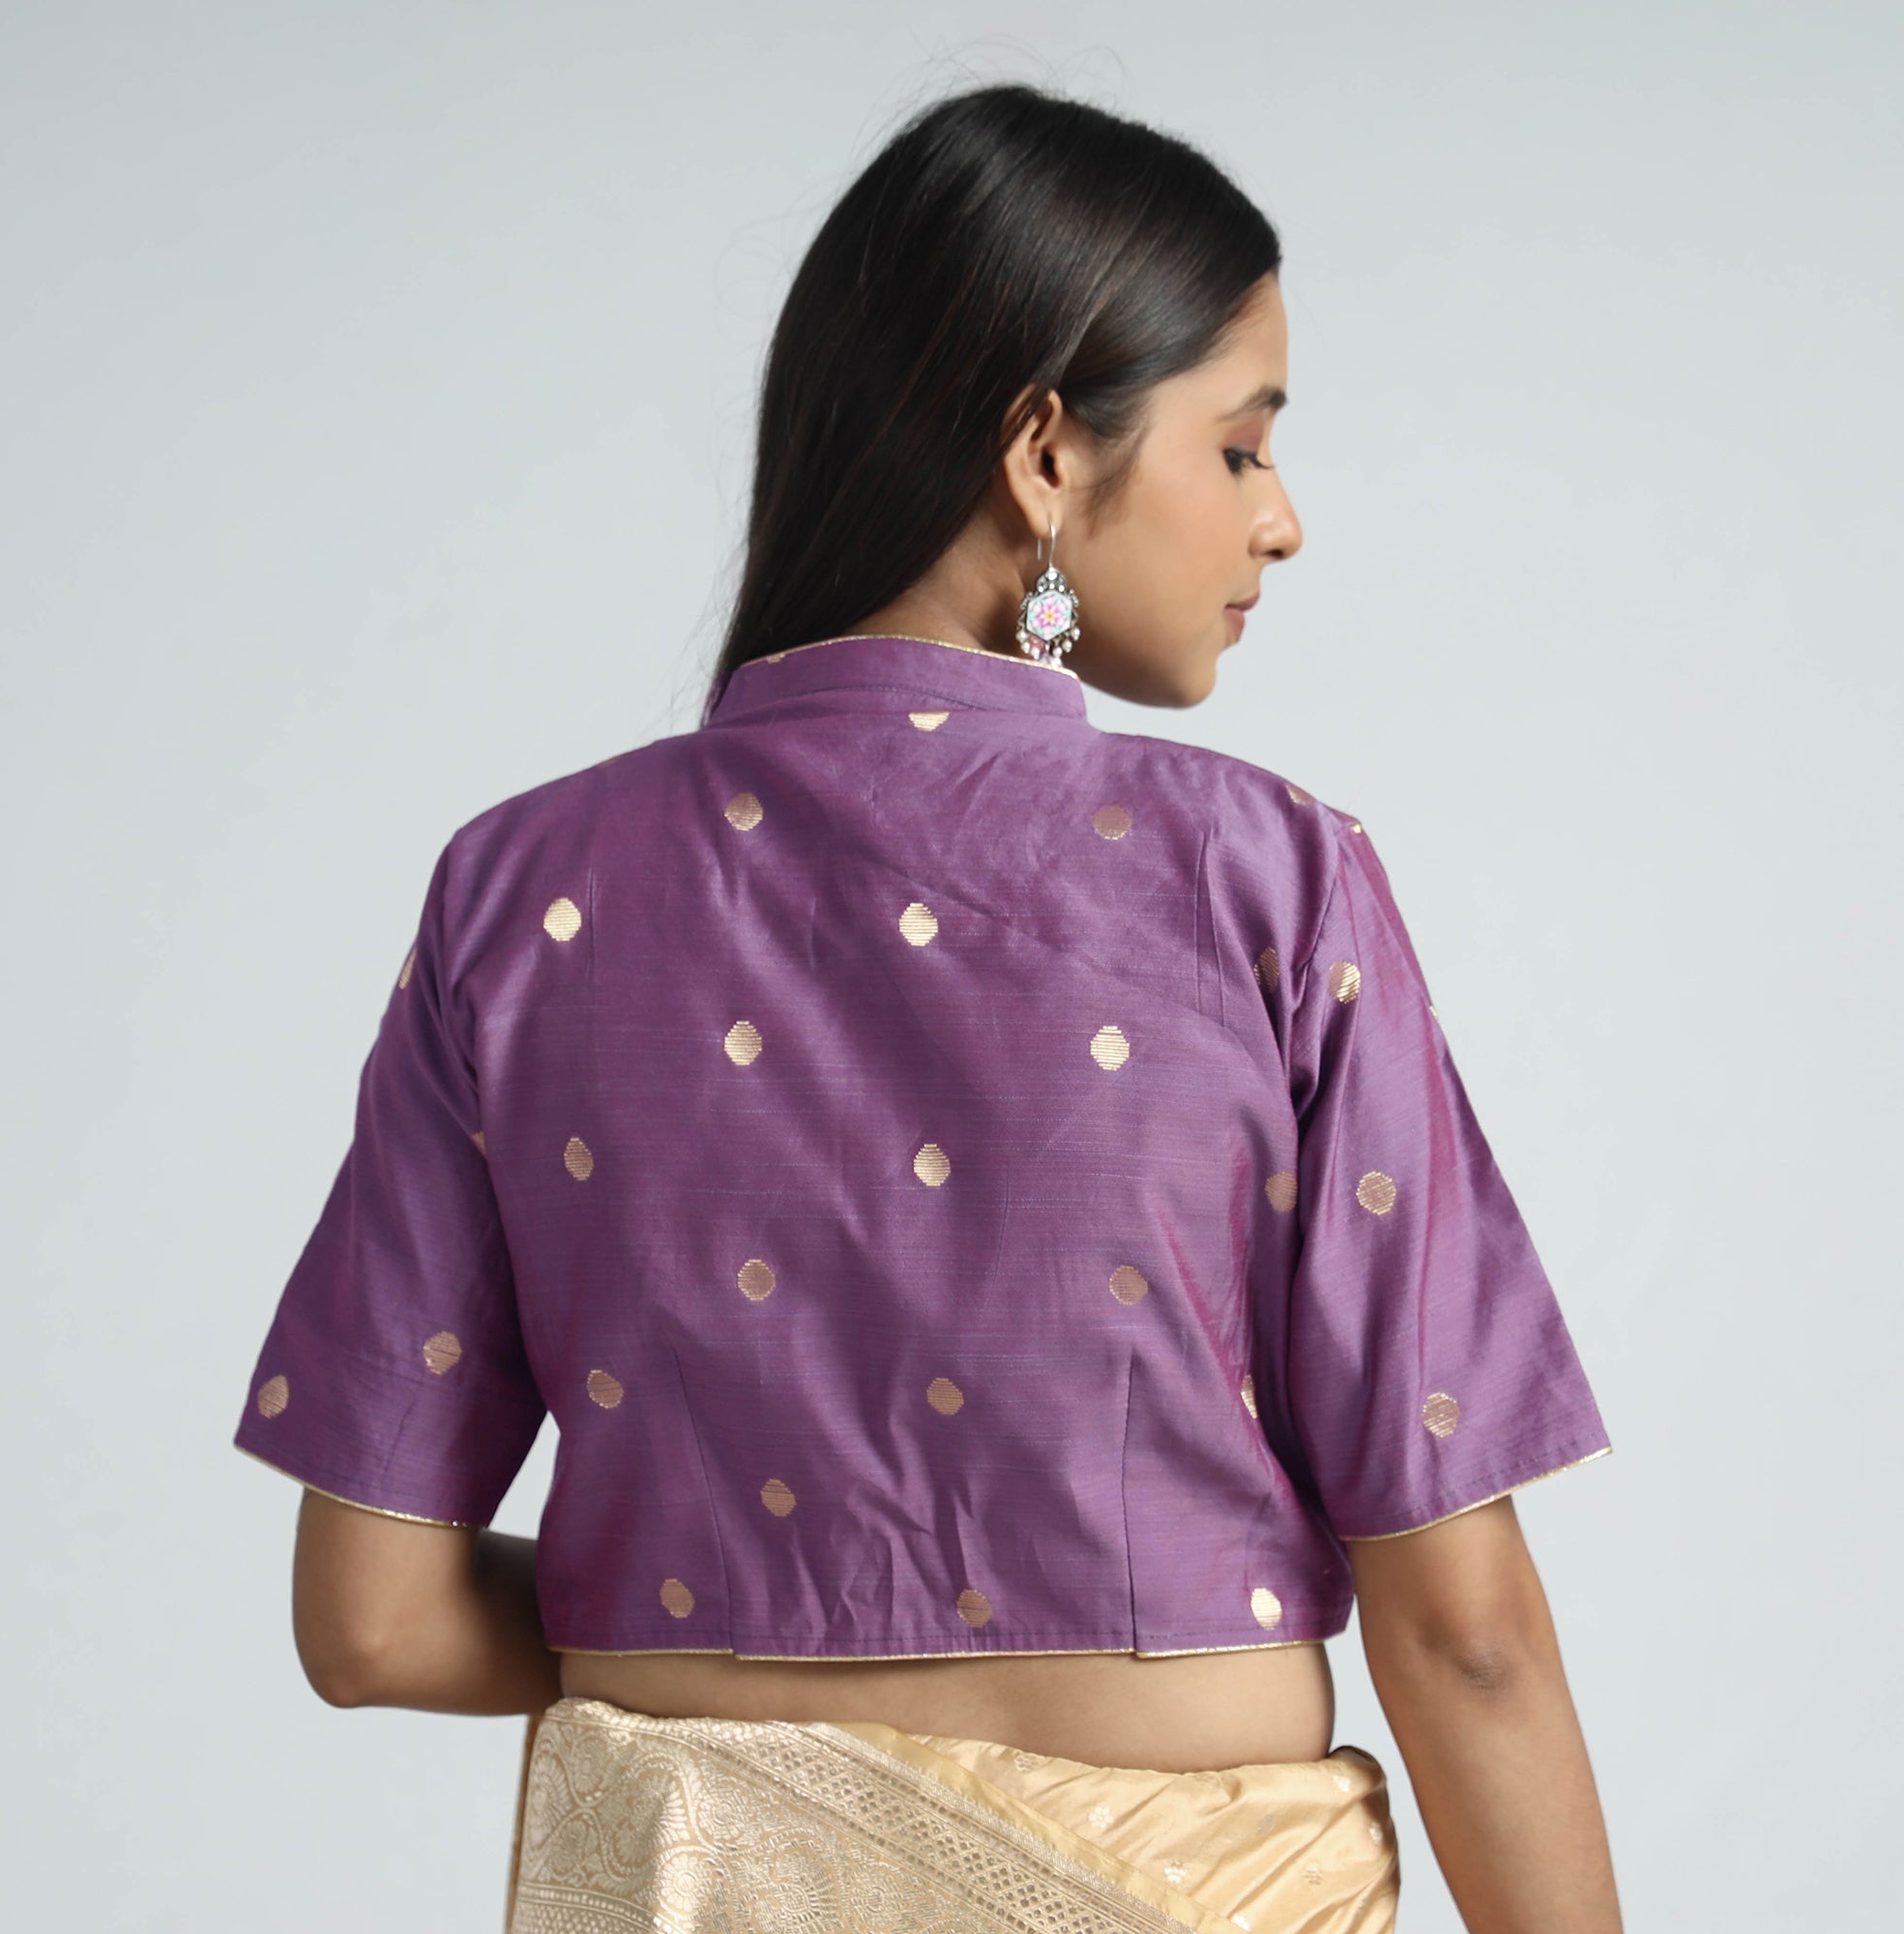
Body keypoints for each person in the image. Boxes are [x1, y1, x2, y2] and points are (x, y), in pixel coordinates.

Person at [232, 80, 1624, 1933]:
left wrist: (718, 1643)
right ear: (1044, 456)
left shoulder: (522, 894)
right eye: (1239, 448)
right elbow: (1466, 1637)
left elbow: (373, 1623)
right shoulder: (1268, 882)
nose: (1282, 521)